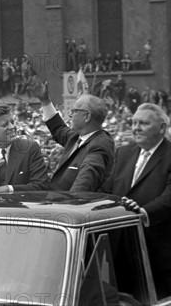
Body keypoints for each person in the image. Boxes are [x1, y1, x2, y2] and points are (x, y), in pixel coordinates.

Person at [101, 103, 171, 299]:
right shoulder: (123, 153)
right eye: (133, 123)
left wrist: (142, 212)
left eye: (144, 123)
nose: (136, 127)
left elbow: (169, 197)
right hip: (121, 247)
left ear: (162, 128)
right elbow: (108, 189)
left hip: (157, 250)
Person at [28, 77, 115, 192]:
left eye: (74, 111)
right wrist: (45, 101)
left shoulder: (100, 144)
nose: (70, 115)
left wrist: (67, 205)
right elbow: (58, 127)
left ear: (87, 116)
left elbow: (84, 183)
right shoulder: (77, 137)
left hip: (67, 204)